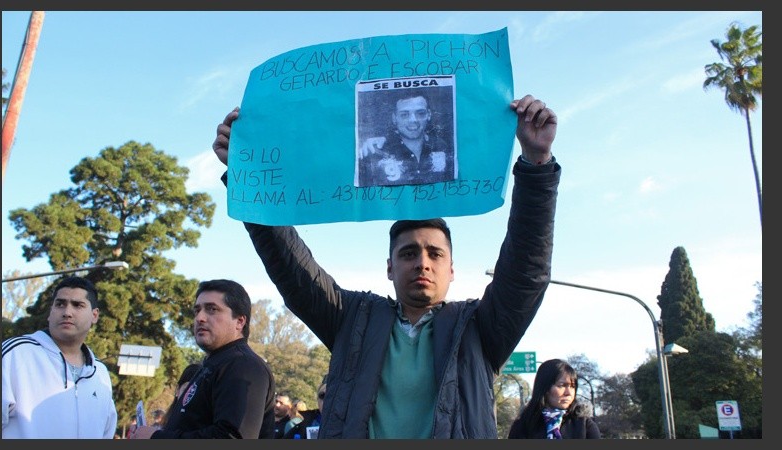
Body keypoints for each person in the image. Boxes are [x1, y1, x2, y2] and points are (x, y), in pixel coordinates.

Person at [212, 94, 559, 438]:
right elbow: (291, 266)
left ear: (452, 269)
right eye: (408, 253)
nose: (422, 262)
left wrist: (537, 164)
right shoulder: (353, 321)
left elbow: (526, 270)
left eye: (435, 254)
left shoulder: (480, 331)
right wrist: (246, 179)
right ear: (390, 268)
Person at [130, 279, 276, 439]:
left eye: (212, 309)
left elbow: (231, 437)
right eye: (197, 310)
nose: (200, 317)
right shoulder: (215, 364)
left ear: (239, 322)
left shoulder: (243, 366)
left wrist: (156, 438)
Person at [1, 276, 118, 439]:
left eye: (77, 305)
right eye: (60, 304)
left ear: (94, 315)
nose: (67, 312)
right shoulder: (14, 355)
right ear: (50, 312)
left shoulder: (101, 374)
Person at [357, 88, 454, 186]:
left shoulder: (442, 147)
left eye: (420, 113)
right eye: (404, 114)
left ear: (429, 115)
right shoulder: (378, 151)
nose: (413, 120)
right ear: (394, 118)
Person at [507, 359, 601, 439]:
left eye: (572, 386)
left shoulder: (585, 425)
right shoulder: (523, 426)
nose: (568, 393)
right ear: (545, 388)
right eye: (562, 385)